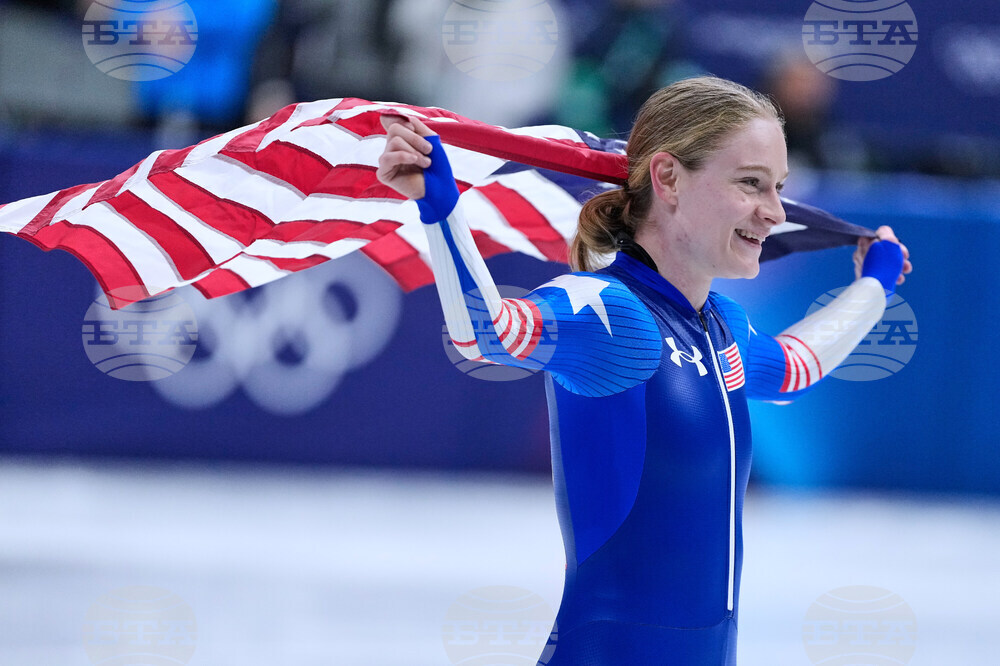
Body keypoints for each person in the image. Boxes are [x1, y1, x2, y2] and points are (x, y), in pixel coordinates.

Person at [376, 76, 911, 665]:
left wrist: (874, 284)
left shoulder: (723, 329)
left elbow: (792, 368)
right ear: (669, 179)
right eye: (751, 184)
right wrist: (440, 205)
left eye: (779, 188)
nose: (776, 213)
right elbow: (487, 332)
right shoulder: (610, 313)